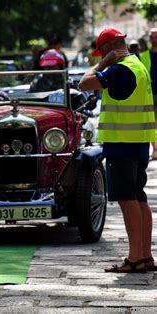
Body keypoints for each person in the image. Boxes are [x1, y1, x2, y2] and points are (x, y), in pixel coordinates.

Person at [79, 28, 156, 273]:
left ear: (110, 47)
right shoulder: (138, 65)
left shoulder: (120, 69)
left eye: (101, 51)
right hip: (138, 142)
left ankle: (135, 258)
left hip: (122, 143)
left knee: (127, 199)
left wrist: (103, 62)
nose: (99, 56)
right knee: (139, 197)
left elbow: (84, 83)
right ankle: (145, 256)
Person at [137, 28, 157, 158]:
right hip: (150, 94)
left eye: (156, 37)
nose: (154, 39)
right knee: (151, 122)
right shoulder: (144, 56)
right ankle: (155, 149)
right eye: (152, 37)